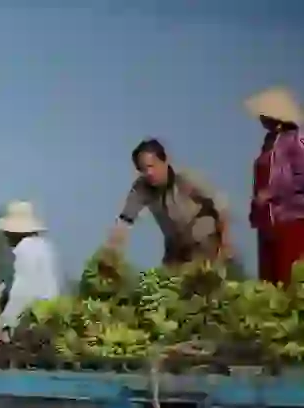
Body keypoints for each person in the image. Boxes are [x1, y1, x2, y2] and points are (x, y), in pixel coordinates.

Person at [106, 138, 233, 267]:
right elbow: (124, 221)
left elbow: (221, 206)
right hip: (175, 248)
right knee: (162, 282)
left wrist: (225, 243)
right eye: (143, 169)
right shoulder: (141, 188)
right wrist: (110, 253)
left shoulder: (186, 178)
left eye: (151, 166)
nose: (149, 173)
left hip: (205, 243)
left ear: (165, 161)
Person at [245, 86, 304, 285]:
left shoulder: (295, 140)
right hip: (267, 221)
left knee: (288, 278)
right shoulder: (268, 142)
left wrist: (272, 192)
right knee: (268, 281)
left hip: (290, 219)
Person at [0, 201, 63, 345]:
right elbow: (10, 283)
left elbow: (21, 292)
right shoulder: (46, 246)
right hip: (52, 314)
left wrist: (3, 324)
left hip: (32, 319)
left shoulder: (23, 250)